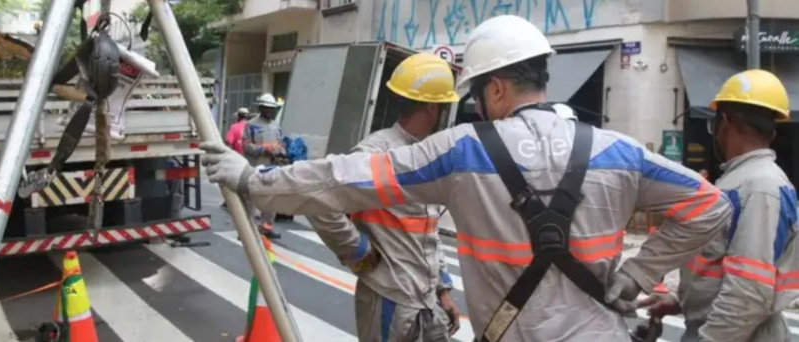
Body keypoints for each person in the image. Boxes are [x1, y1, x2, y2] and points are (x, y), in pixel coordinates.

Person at [200, 15, 732, 341]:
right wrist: (639, 274)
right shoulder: (618, 150)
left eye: (477, 92)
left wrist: (252, 180)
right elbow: (712, 207)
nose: (476, 105)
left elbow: (344, 179)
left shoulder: (462, 152)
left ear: (497, 88)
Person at [305, 53, 461, 342]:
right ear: (431, 107)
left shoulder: (428, 153)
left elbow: (428, 231)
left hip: (426, 300)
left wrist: (443, 289)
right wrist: (356, 249)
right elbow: (319, 201)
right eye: (443, 107)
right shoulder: (376, 153)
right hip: (390, 298)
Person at [637, 69, 799, 342]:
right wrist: (680, 300)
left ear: (724, 121)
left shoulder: (759, 187)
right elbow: (719, 267)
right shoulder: (742, 182)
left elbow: (749, 293)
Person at [242, 93, 286, 239]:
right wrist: (262, 149)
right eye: (266, 108)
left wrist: (281, 152)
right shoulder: (251, 125)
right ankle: (246, 231)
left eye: (271, 109)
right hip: (255, 167)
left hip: (272, 167)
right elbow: (246, 146)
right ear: (261, 108)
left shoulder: (276, 127)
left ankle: (266, 228)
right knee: (251, 200)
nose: (269, 111)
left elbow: (280, 145)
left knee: (271, 199)